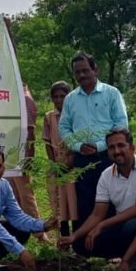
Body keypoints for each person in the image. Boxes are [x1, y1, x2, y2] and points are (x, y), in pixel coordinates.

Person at [58, 128, 136, 260]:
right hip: (123, 224)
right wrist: (74, 236)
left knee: (131, 228)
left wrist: (102, 225)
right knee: (80, 244)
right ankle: (129, 256)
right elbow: (97, 214)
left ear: (132, 148)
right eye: (112, 147)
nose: (117, 151)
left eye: (121, 145)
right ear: (107, 152)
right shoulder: (107, 175)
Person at [58, 53, 129, 229]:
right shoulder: (71, 99)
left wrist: (99, 146)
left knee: (112, 198)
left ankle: (112, 246)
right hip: (81, 157)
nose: (81, 75)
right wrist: (77, 145)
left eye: (85, 70)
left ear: (95, 69)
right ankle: (86, 246)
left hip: (108, 156)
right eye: (77, 72)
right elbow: (64, 128)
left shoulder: (111, 93)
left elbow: (121, 125)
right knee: (85, 198)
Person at [6, 85, 43, 229]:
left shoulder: (24, 98)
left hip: (20, 155)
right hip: (7, 153)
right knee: (12, 194)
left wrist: (29, 158)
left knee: (26, 195)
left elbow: (31, 131)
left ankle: (38, 231)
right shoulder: (10, 96)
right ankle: (20, 228)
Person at [43, 81, 76, 237]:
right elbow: (47, 142)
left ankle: (76, 235)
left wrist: (70, 162)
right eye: (55, 97)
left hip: (73, 164)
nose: (59, 100)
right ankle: (62, 234)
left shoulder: (75, 114)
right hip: (57, 163)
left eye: (62, 96)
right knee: (58, 200)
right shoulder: (49, 117)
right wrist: (55, 164)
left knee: (73, 199)